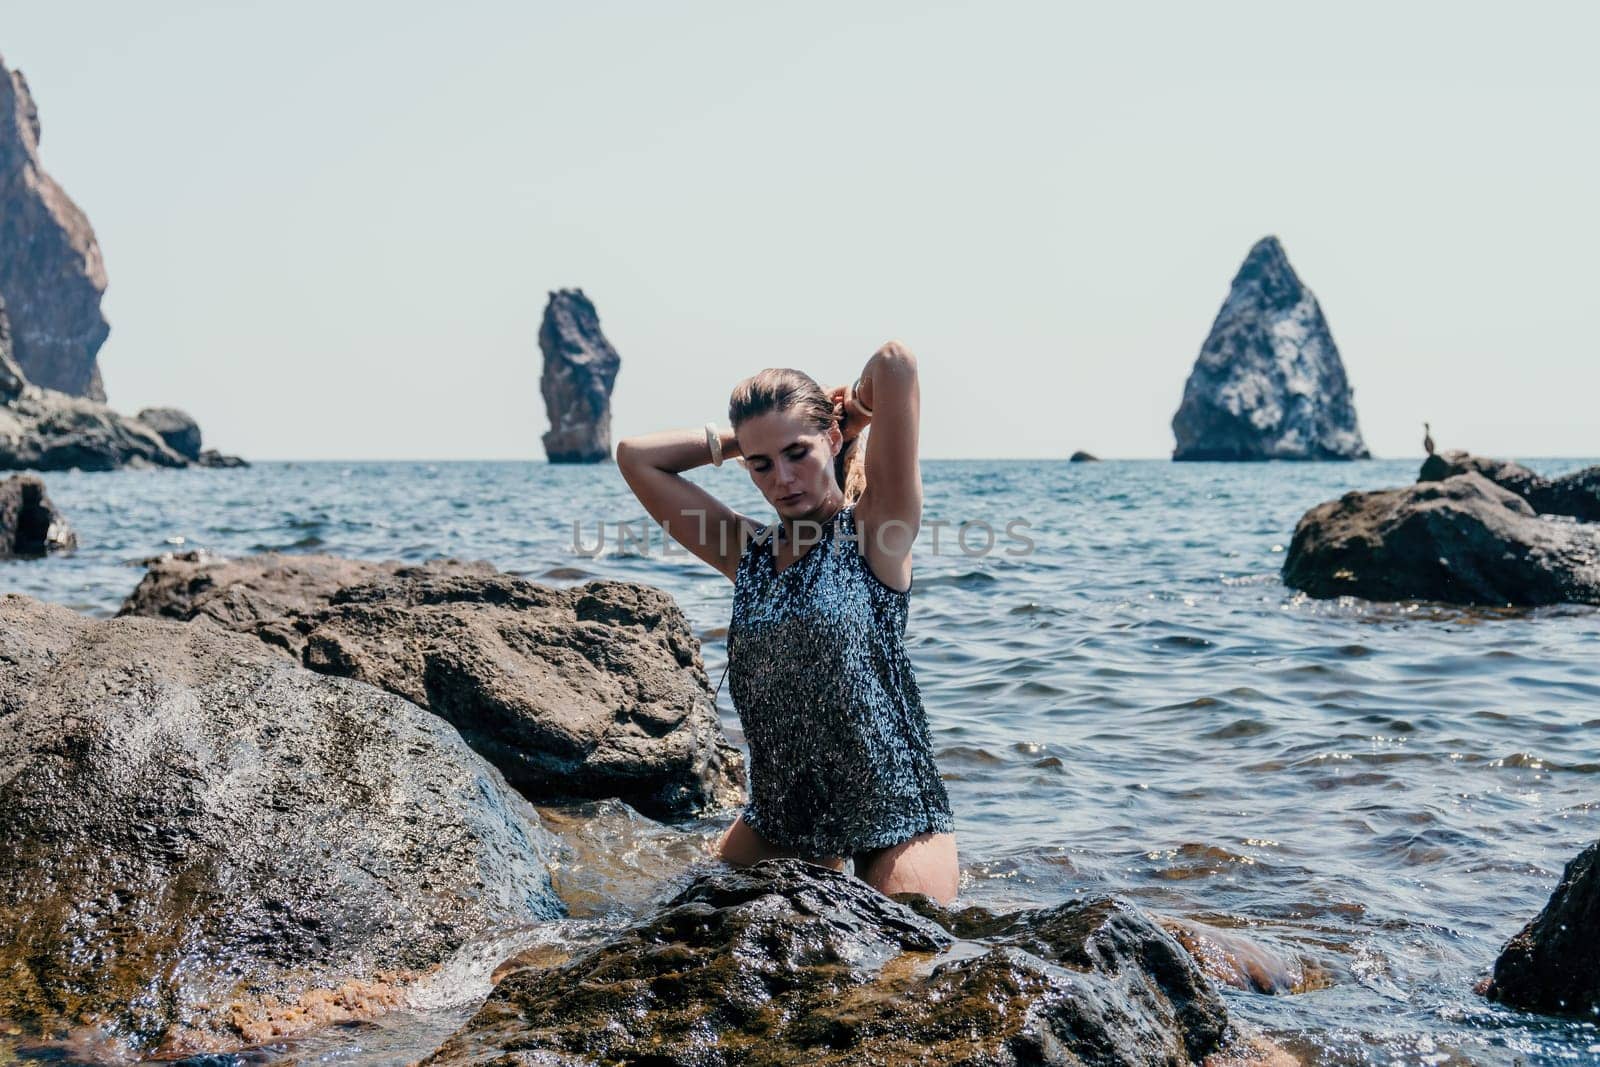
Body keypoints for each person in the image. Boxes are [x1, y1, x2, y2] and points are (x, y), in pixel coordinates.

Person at [615, 340, 959, 904]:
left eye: (798, 452)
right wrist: (738, 439)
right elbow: (636, 456)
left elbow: (896, 363)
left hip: (896, 812)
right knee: (675, 929)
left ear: (830, 440)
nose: (782, 478)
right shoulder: (745, 551)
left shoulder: (878, 530)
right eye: (761, 464)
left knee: (904, 966)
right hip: (783, 818)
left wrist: (857, 412)